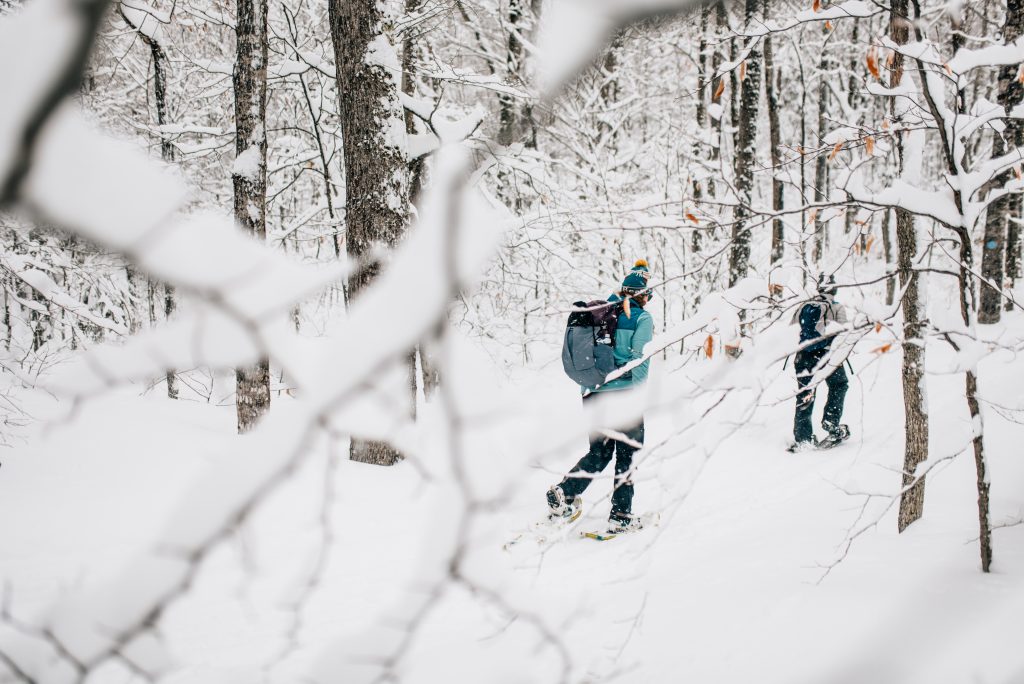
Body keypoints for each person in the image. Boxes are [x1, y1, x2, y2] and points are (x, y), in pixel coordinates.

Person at [547, 260, 654, 533]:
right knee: (627, 456)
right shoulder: (641, 318)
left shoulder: (601, 311)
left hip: (593, 394)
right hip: (623, 396)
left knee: (599, 452)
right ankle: (620, 516)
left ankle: (565, 492)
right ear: (641, 295)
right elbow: (639, 360)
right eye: (648, 294)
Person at [790, 273, 850, 451]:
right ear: (834, 289)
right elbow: (842, 333)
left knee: (805, 394)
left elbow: (792, 331)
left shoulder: (803, 306)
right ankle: (831, 422)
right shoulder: (836, 307)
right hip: (826, 355)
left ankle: (803, 439)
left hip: (802, 357)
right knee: (839, 384)